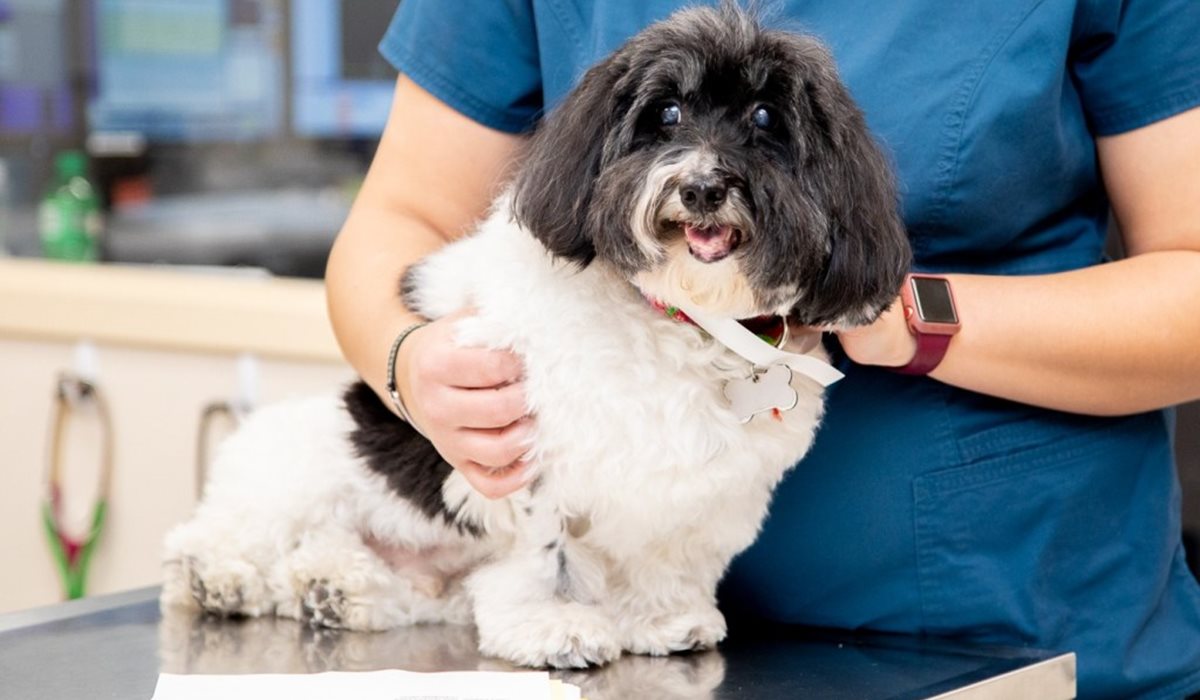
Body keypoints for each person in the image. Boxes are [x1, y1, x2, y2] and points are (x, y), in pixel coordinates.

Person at [324, 1, 1200, 697]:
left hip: (1006, 636)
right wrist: (408, 361)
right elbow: (406, 217)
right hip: (630, 649)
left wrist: (895, 314)